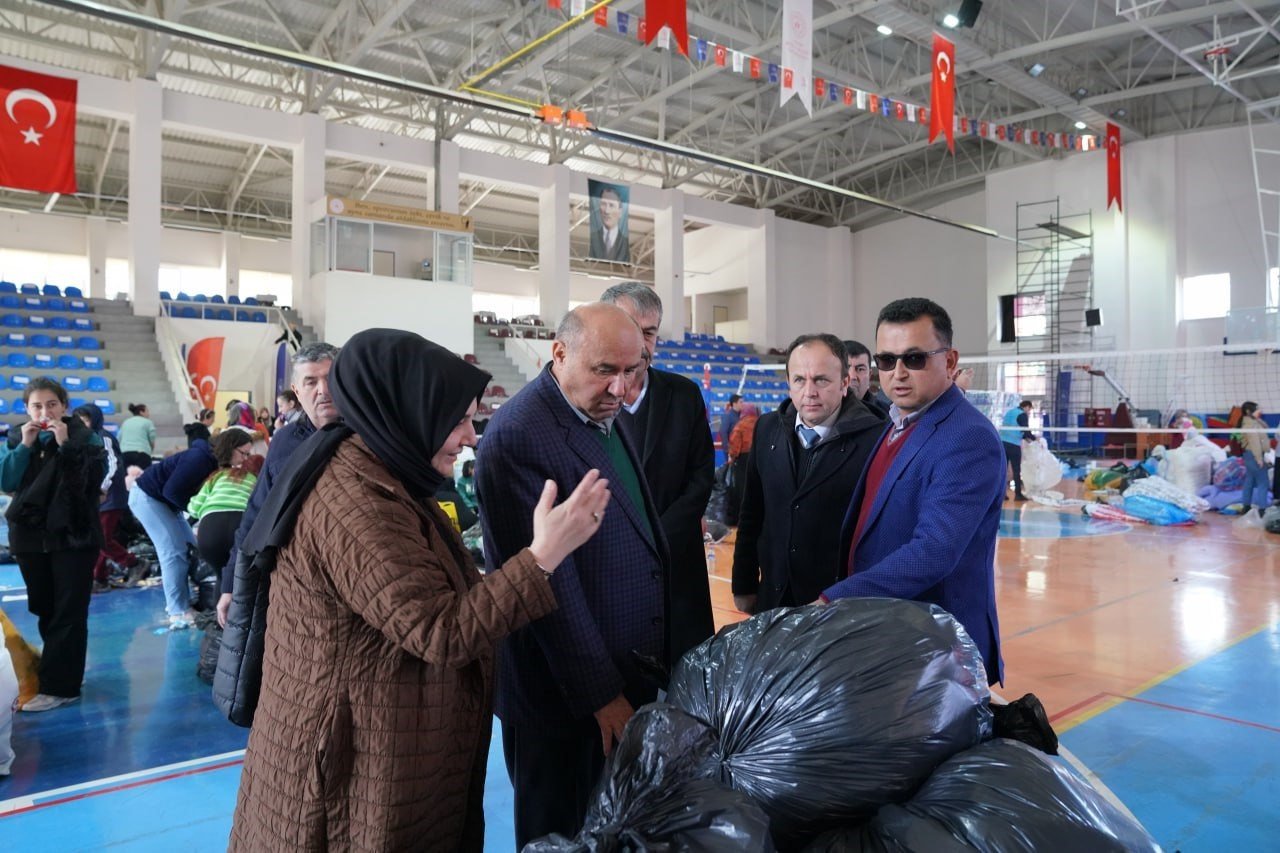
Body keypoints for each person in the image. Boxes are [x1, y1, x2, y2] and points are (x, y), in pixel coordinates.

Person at [228, 329, 610, 852]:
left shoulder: (385, 473)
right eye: (457, 421)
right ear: (407, 414)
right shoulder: (355, 503)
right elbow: (441, 631)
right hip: (344, 777)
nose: (470, 438)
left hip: (378, 749)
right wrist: (543, 555)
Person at [476, 303, 668, 848]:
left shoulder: (601, 408)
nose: (621, 388)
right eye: (605, 370)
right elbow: (545, 585)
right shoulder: (520, 435)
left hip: (624, 675)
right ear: (559, 353)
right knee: (558, 834)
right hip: (565, 698)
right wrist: (601, 695)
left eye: (633, 371)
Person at [822, 298, 1006, 686]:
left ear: (950, 361)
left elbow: (933, 551)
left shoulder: (968, 437)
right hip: (890, 631)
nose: (898, 373)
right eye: (887, 360)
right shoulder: (898, 422)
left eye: (915, 358)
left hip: (938, 650)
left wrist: (835, 598)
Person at [602, 282, 715, 663]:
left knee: (685, 673)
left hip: (678, 565)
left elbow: (701, 477)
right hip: (611, 566)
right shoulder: (587, 400)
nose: (641, 343)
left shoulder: (684, 394)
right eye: (630, 328)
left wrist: (658, 536)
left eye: (649, 332)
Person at [731, 335, 884, 614]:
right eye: (800, 380)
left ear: (844, 383)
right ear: (789, 384)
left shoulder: (875, 439)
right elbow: (752, 511)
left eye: (821, 380)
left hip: (838, 606)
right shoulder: (766, 429)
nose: (809, 392)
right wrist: (743, 583)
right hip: (773, 598)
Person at [216, 342, 342, 627]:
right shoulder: (284, 442)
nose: (323, 390)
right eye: (311, 382)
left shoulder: (367, 436)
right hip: (295, 582)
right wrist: (230, 583)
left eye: (330, 379)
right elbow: (257, 512)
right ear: (297, 391)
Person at [1, 378, 106, 712]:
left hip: (74, 536)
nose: (44, 412)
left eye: (51, 404)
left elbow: (90, 485)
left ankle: (61, 687)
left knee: (68, 611)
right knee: (44, 607)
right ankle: (66, 668)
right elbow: (6, 481)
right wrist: (24, 446)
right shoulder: (17, 437)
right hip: (30, 537)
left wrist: (67, 446)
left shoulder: (85, 437)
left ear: (64, 406)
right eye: (36, 406)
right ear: (26, 408)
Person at [131, 429, 253, 630]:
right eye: (243, 453)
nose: (245, 459)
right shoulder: (199, 459)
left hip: (168, 503)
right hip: (149, 498)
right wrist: (201, 512)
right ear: (230, 448)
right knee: (174, 552)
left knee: (191, 548)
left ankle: (186, 600)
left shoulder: (216, 462)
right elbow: (171, 490)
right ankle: (177, 611)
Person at [73, 404, 147, 592]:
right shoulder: (85, 441)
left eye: (86, 420)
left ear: (95, 419)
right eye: (79, 421)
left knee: (102, 539)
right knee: (99, 539)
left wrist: (102, 488)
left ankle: (134, 563)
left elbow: (113, 465)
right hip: (98, 498)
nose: (82, 424)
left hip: (110, 497)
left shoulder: (103, 437)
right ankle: (99, 578)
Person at [186, 442, 260, 575]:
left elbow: (194, 509)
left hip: (210, 529)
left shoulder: (219, 475)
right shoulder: (255, 481)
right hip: (240, 524)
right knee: (239, 577)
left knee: (221, 577)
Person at [725, 403, 759, 527]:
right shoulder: (761, 423)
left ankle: (741, 518)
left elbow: (734, 444)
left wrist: (732, 457)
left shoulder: (741, 425)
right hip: (759, 457)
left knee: (741, 489)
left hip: (743, 459)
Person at [1238, 401, 1271, 516]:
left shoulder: (1253, 422)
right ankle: (1262, 510)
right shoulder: (1249, 425)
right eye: (1257, 409)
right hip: (1253, 454)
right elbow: (1254, 443)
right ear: (1248, 411)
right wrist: (1259, 459)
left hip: (1250, 455)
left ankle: (1246, 507)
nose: (1260, 411)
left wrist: (1257, 418)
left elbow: (1266, 428)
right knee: (1263, 482)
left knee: (1250, 480)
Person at [843, 339, 890, 420]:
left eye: (860, 369)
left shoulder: (887, 415)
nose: (853, 376)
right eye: (846, 368)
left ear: (870, 375)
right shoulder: (821, 412)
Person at [1000, 400, 1035, 502]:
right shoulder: (1022, 414)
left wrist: (1026, 438)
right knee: (1016, 470)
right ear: (1027, 407)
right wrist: (1035, 439)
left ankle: (1002, 494)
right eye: (1029, 410)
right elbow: (1026, 430)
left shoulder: (1009, 412)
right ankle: (1018, 495)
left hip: (1002, 443)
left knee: (1003, 470)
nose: (1028, 412)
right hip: (1013, 444)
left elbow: (1013, 428)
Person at [588, 185, 630, 263]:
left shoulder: (626, 243)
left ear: (620, 212)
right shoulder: (592, 238)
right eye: (603, 204)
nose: (606, 211)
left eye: (611, 205)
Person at [118, 402, 157, 469]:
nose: (149, 414)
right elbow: (152, 439)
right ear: (141, 412)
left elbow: (119, 438)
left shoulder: (126, 422)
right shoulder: (148, 422)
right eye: (147, 411)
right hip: (141, 454)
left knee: (126, 475)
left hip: (124, 454)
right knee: (143, 475)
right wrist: (150, 450)